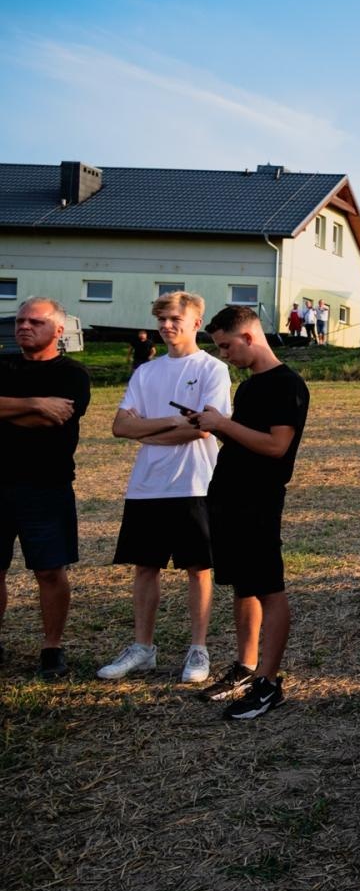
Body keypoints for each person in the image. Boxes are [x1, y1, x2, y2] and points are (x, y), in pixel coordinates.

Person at [99, 291, 231, 684]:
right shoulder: (146, 372)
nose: (167, 325)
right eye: (161, 319)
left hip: (195, 484)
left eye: (175, 318)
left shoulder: (212, 369)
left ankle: (198, 648)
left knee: (198, 569)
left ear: (195, 323)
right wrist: (173, 424)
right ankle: (143, 649)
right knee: (145, 568)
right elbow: (120, 426)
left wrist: (150, 429)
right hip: (146, 486)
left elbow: (203, 426)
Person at [187, 306, 310, 720]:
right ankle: (246, 666)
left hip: (258, 500)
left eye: (226, 346)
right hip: (228, 497)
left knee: (268, 588)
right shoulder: (250, 387)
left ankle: (270, 684)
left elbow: (276, 447)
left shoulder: (287, 385)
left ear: (249, 337)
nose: (224, 355)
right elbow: (245, 440)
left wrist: (222, 423)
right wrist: (216, 425)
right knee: (243, 585)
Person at [0, 297, 91, 679]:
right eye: (20, 321)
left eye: (34, 322)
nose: (23, 327)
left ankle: (52, 647)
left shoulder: (71, 374)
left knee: (50, 571)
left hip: (47, 486)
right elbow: (43, 415)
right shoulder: (2, 365)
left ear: (57, 329)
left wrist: (9, 412)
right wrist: (35, 403)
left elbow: (57, 421)